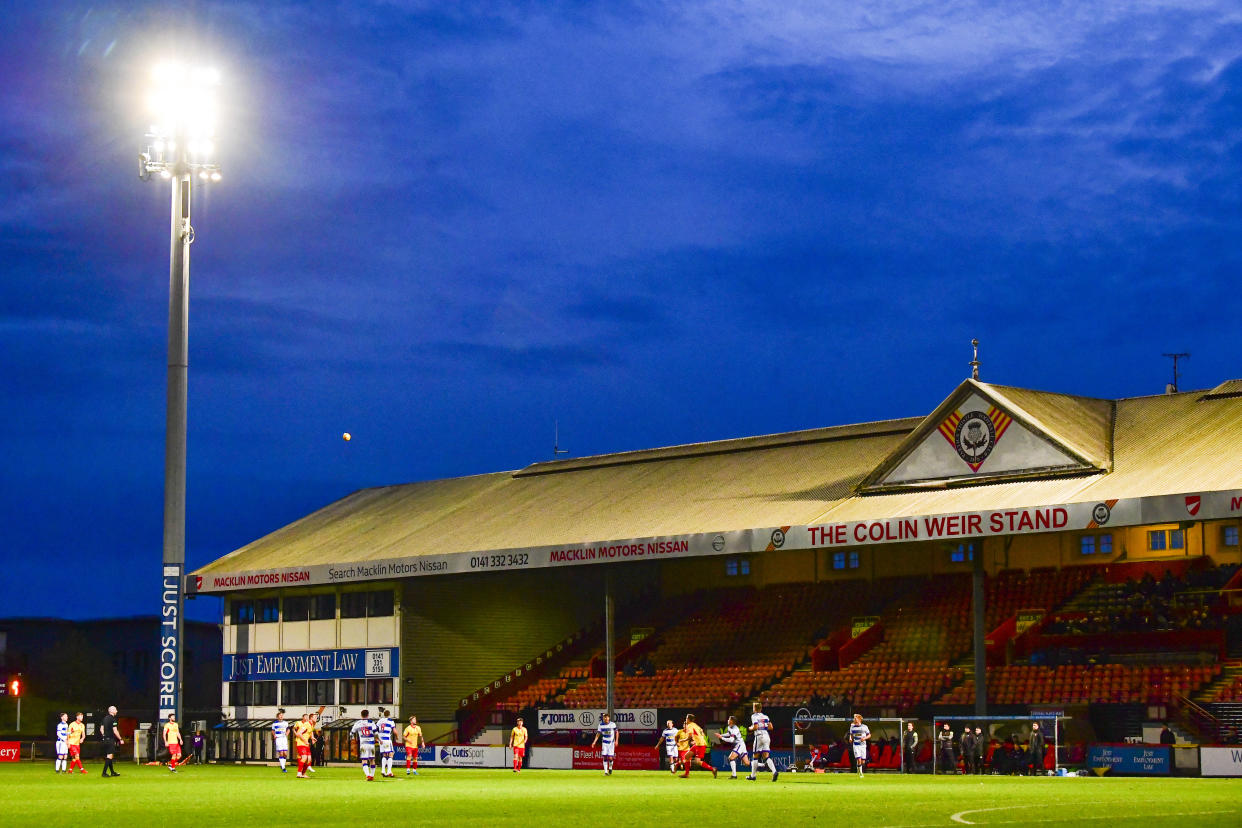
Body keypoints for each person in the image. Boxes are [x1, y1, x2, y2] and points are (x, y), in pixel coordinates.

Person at [747, 702, 777, 781]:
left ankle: (753, 776)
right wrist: (763, 727)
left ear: (755, 708)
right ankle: (774, 772)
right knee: (766, 756)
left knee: (755, 756)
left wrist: (750, 728)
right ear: (761, 708)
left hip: (759, 736)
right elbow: (771, 727)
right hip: (766, 736)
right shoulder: (765, 716)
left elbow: (756, 727)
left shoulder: (753, 716)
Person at [681, 714, 717, 778]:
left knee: (698, 761)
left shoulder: (689, 725)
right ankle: (686, 774)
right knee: (686, 756)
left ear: (689, 719)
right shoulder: (696, 725)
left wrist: (684, 740)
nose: (686, 719)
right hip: (698, 744)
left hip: (700, 745)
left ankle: (713, 769)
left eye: (686, 718)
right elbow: (702, 733)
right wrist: (696, 740)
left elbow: (690, 736)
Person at [349, 710, 377, 780]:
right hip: (371, 744)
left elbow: (351, 733)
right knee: (372, 760)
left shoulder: (358, 723)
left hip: (363, 744)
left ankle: (368, 775)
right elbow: (376, 733)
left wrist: (353, 740)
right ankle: (372, 775)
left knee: (364, 760)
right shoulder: (371, 723)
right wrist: (379, 740)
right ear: (368, 715)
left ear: (361, 715)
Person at [100, 705, 124, 777]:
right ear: (112, 711)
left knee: (110, 755)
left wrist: (104, 736)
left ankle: (112, 772)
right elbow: (115, 731)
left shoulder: (104, 718)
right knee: (109, 756)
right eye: (115, 710)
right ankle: (104, 773)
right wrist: (120, 739)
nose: (117, 711)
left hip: (105, 740)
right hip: (110, 739)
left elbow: (101, 729)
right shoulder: (113, 719)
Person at [376, 709, 396, 778]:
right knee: (391, 754)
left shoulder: (380, 721)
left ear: (383, 714)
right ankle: (389, 771)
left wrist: (377, 738)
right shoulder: (391, 721)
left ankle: (383, 770)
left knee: (384, 755)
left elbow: (376, 730)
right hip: (387, 739)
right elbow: (394, 731)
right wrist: (397, 736)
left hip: (381, 740)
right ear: (389, 714)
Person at [293, 714, 314, 778]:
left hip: (305, 742)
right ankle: (300, 772)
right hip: (300, 741)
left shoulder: (309, 724)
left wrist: (312, 738)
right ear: (303, 717)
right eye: (305, 716)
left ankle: (303, 771)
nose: (306, 718)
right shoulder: (298, 723)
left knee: (307, 758)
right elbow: (294, 729)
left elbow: (310, 732)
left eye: (307, 716)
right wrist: (296, 734)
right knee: (303, 757)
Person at [848, 713, 870, 778]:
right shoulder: (852, 727)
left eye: (856, 718)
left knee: (863, 761)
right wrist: (850, 738)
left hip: (863, 745)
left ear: (859, 719)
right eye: (854, 719)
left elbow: (869, 735)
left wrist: (864, 738)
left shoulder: (864, 727)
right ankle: (861, 773)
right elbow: (851, 734)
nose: (854, 720)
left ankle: (858, 768)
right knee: (859, 759)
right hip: (856, 745)